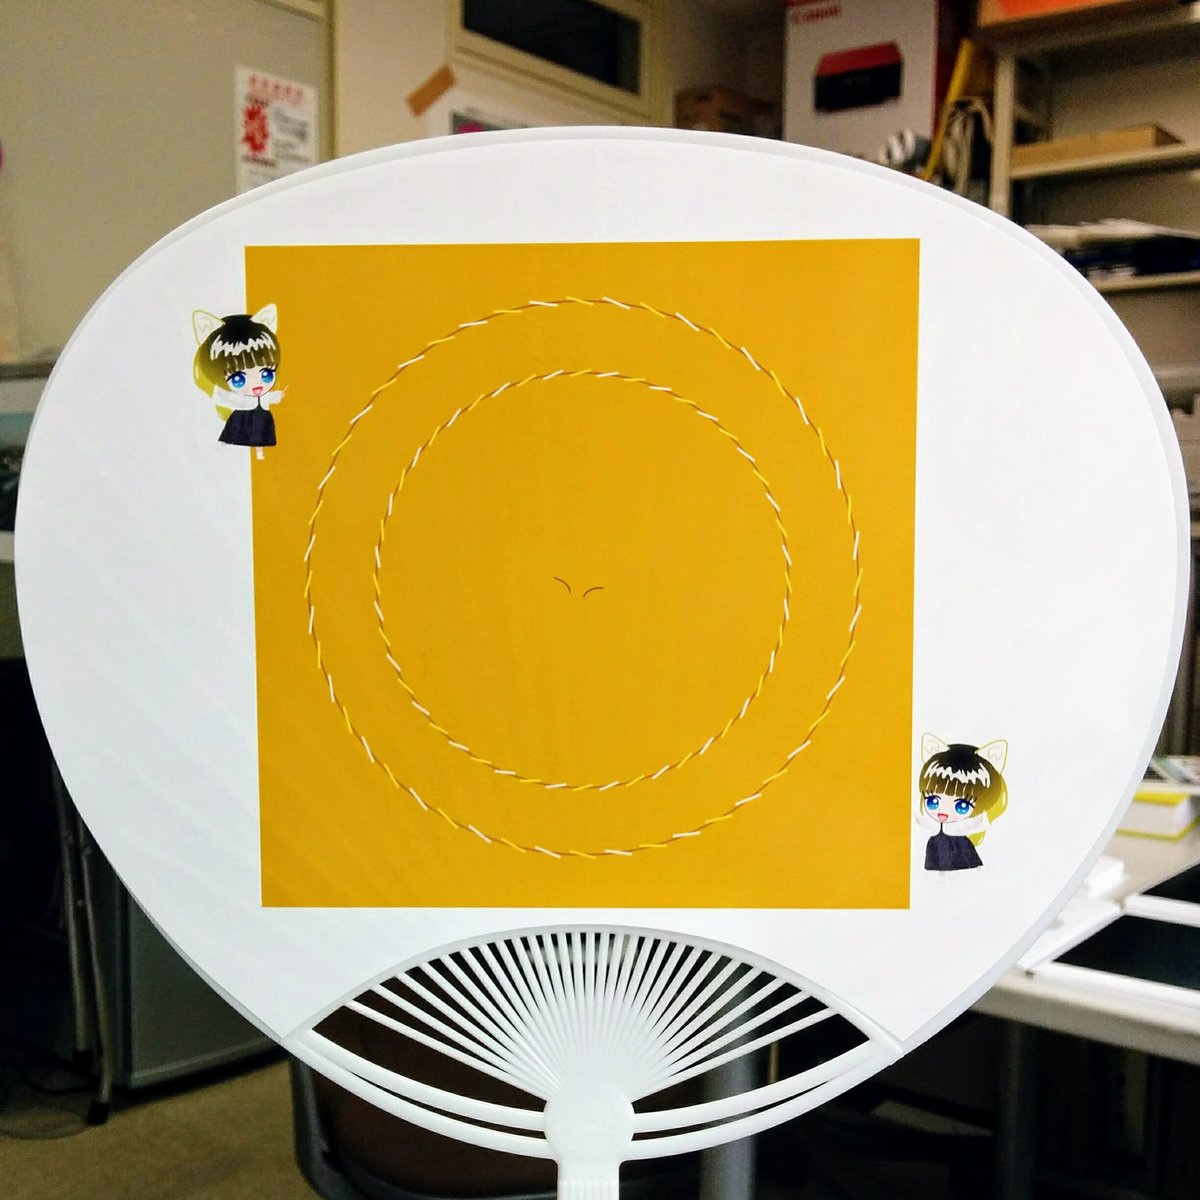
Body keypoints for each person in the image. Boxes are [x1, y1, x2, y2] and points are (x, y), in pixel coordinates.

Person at [192, 305, 284, 458]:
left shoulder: (263, 398)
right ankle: (225, 442)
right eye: (238, 379)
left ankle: (259, 453)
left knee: (260, 435)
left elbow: (271, 397)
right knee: (234, 429)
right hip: (242, 415)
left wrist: (278, 395)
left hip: (260, 417)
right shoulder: (233, 397)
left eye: (266, 374)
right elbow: (225, 397)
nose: (256, 385)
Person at [917, 735, 1008, 872]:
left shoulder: (964, 839)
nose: (944, 812)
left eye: (961, 806)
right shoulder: (933, 840)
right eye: (933, 801)